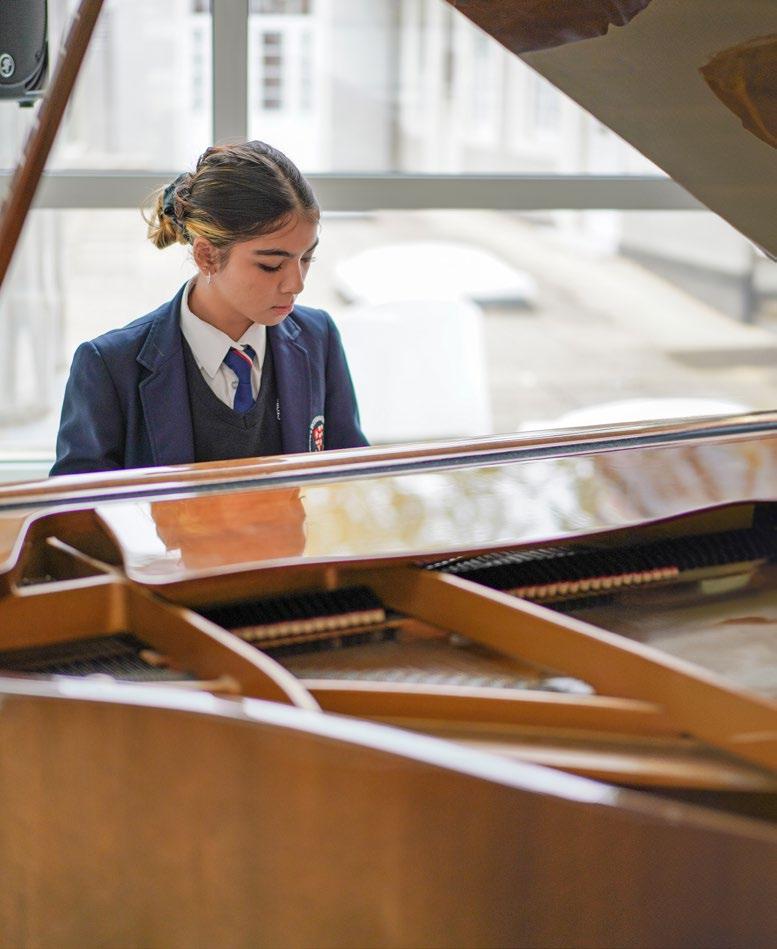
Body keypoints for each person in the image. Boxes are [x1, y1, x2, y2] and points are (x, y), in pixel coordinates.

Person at [50, 141, 367, 476]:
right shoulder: (110, 366)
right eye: (272, 265)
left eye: (306, 258)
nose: (296, 284)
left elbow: (353, 478)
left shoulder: (318, 337)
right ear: (207, 256)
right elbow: (77, 504)